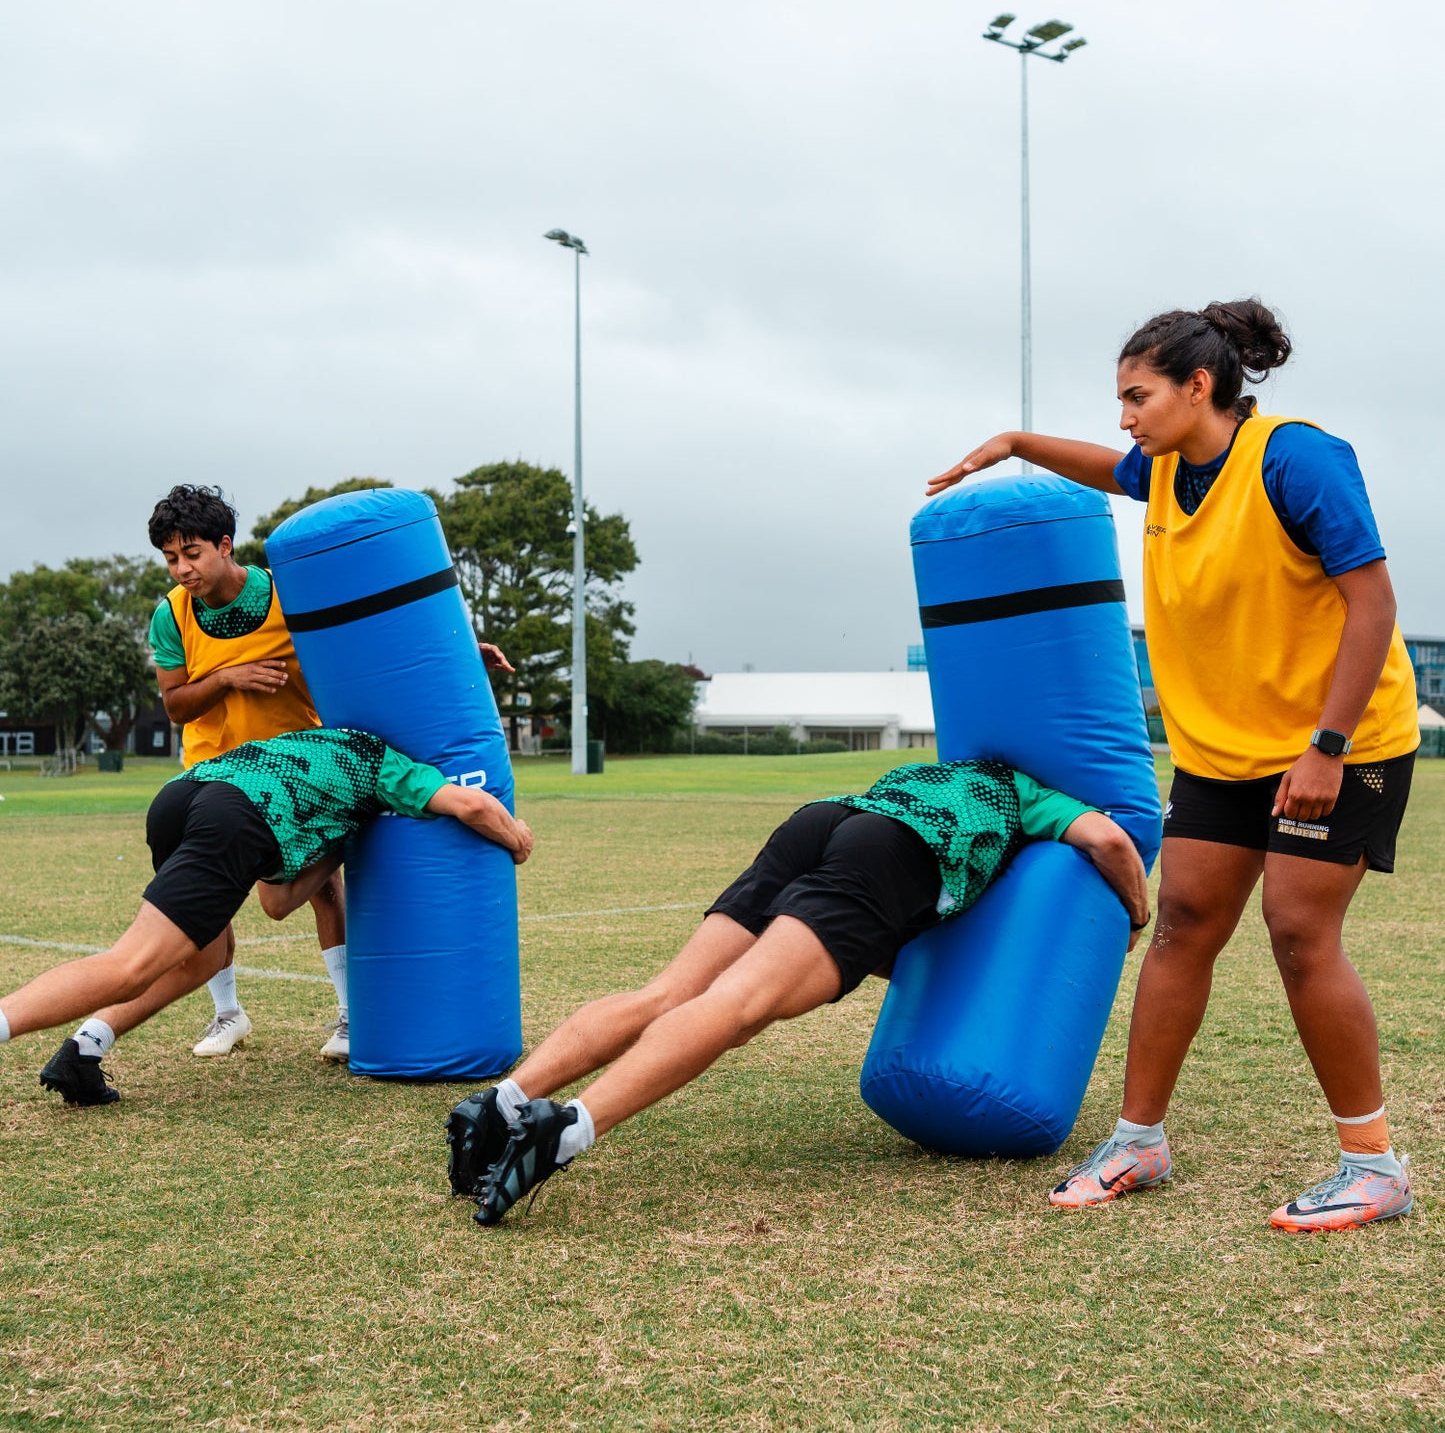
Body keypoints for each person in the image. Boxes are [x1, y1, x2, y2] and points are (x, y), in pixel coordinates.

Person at [929, 299, 1419, 1232]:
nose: (1124, 418)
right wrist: (1013, 443)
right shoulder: (1164, 472)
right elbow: (1105, 467)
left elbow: (1373, 602)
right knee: (1183, 922)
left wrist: (1327, 745)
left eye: (1135, 395)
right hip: (1221, 749)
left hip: (1335, 744)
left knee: (1295, 931)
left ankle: (1373, 1164)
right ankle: (1138, 1140)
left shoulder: (1292, 457)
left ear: (1199, 387)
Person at [445, 758, 1149, 1226]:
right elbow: (1110, 842)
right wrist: (1133, 918)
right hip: (890, 853)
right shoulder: (1030, 793)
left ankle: (500, 1100)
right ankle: (565, 1131)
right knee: (734, 1007)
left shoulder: (936, 769)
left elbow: (872, 942)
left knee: (670, 991)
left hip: (823, 819)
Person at [147, 485, 515, 1062]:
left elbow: (365, 642)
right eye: (171, 558)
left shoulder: (286, 594)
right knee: (206, 899)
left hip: (298, 766)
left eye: (191, 553)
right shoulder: (170, 615)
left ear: (224, 545)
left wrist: (463, 651)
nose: (182, 568)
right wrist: (227, 678)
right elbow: (174, 705)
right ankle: (228, 1014)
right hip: (214, 770)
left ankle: (348, 1015)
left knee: (316, 892)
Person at [0, 728, 532, 1106]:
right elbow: (473, 806)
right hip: (234, 819)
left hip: (182, 795)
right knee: (131, 964)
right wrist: (519, 840)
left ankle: (83, 1050)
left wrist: (344, 842)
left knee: (203, 958)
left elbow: (277, 904)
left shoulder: (325, 740)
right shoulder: (389, 767)